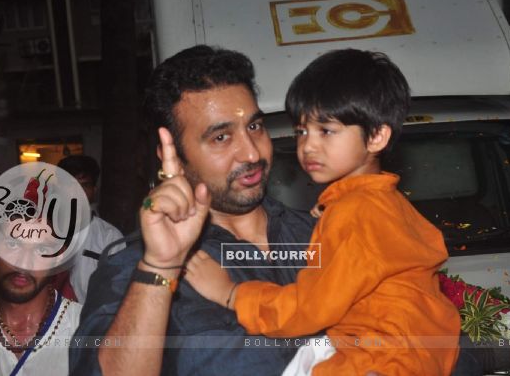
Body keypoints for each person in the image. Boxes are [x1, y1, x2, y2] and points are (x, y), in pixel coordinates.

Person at [185, 49, 461, 375]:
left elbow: (313, 307)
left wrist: (231, 294)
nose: (308, 146)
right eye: (302, 131)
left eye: (326, 131)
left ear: (376, 136)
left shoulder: (358, 212)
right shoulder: (384, 203)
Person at [70, 45, 316, 376]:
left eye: (254, 127)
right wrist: (161, 266)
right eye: (221, 137)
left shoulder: (322, 234)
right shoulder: (131, 270)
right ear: (172, 155)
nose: (250, 152)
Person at [0, 220, 82, 375]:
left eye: (41, 249)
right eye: (13, 244)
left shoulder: (85, 327)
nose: (24, 263)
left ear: (58, 257)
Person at [57, 155, 124, 303]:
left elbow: (117, 293)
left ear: (94, 190)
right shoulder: (41, 232)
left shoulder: (110, 238)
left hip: (90, 322)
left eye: (84, 185)